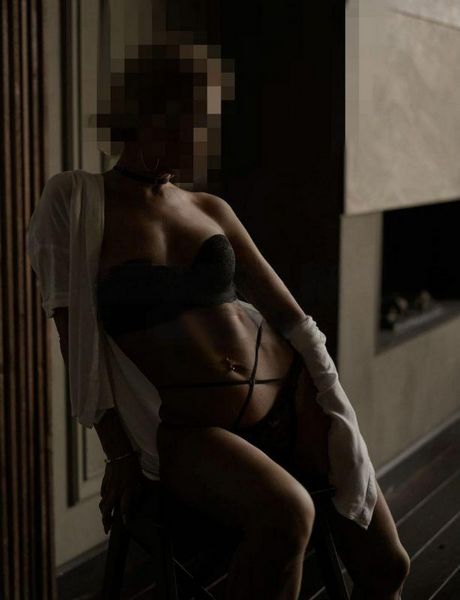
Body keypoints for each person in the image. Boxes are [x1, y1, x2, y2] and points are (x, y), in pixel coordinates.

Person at [28, 40, 410, 599]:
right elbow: (75, 339)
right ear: (145, 111)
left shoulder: (210, 208)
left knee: (390, 566)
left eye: (205, 121)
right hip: (190, 432)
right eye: (190, 118)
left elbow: (289, 315)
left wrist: (324, 396)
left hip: (292, 402)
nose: (200, 136)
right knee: (288, 515)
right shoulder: (75, 200)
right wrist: (118, 451)